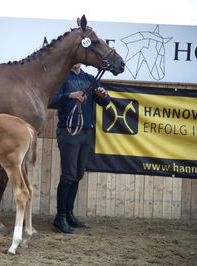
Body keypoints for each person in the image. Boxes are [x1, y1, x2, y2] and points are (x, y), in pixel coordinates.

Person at [48, 63, 110, 234]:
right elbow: (51, 101)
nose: (76, 62)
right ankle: (60, 217)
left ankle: (68, 214)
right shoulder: (61, 78)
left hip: (86, 131)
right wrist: (70, 95)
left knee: (77, 175)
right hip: (69, 131)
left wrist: (103, 95)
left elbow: (105, 102)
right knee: (68, 175)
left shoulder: (90, 79)